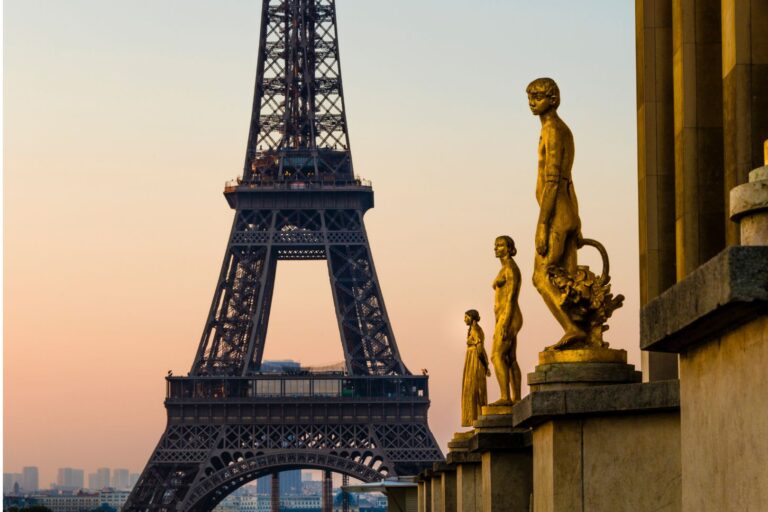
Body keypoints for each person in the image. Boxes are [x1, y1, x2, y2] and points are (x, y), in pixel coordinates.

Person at [527, 77, 586, 349]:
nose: (531, 102)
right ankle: (582, 334)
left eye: (538, 96)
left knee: (540, 277)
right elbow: (569, 180)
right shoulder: (563, 129)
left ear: (553, 99)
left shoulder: (552, 130)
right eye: (530, 97)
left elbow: (552, 181)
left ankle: (572, 328)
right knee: (569, 283)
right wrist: (577, 220)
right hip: (567, 213)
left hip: (555, 216)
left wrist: (542, 225)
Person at [491, 235, 523, 404]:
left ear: (510, 249)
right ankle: (516, 398)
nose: (496, 248)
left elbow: (511, 298)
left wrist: (504, 322)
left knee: (496, 356)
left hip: (508, 316)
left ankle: (505, 397)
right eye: (495, 245)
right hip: (504, 316)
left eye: (501, 245)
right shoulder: (505, 268)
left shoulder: (510, 268)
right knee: (510, 358)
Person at [461, 309, 490, 426]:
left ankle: (478, 419)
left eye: (466, 317)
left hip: (475, 363)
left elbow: (479, 349)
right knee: (472, 390)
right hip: (472, 361)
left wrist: (485, 365)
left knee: (474, 390)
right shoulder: (473, 330)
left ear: (472, 318)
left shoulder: (476, 330)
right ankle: (476, 420)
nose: (464, 319)